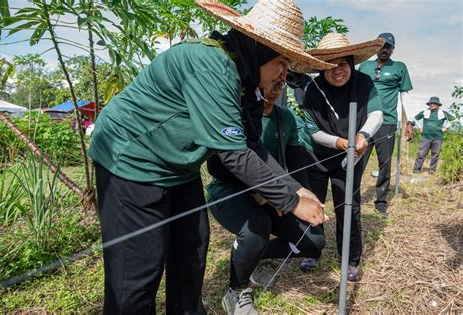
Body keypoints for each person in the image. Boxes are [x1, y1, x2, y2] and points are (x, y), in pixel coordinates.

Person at [88, 0, 333, 313]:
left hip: (179, 166)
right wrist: (291, 201)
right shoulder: (211, 64)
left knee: (192, 249)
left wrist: (294, 188)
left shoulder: (243, 80)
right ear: (261, 47)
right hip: (132, 160)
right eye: (283, 62)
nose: (285, 74)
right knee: (137, 271)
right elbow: (233, 153)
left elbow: (250, 144)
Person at [207, 81, 326, 315]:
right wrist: (265, 194)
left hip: (275, 191)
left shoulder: (286, 118)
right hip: (228, 190)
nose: (273, 90)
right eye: (267, 84)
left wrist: (303, 192)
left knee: (314, 241)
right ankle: (236, 292)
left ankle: (254, 257)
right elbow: (221, 166)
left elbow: (295, 160)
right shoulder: (235, 115)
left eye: (279, 84)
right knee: (258, 226)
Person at [300, 33, 384, 281]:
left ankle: (350, 258)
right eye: (330, 65)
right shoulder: (313, 89)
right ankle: (311, 251)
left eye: (343, 64)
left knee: (348, 206)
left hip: (350, 157)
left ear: (351, 62)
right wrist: (341, 142)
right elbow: (313, 131)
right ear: (322, 68)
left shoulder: (364, 83)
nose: (337, 71)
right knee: (312, 204)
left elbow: (377, 113)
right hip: (317, 155)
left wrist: (363, 135)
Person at [358, 32, 413, 216]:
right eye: (381, 45)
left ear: (392, 49)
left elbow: (405, 95)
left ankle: (380, 202)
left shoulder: (399, 67)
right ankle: (352, 197)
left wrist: (410, 122)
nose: (384, 49)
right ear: (376, 46)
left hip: (387, 122)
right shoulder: (365, 66)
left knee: (384, 164)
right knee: (358, 159)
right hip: (364, 122)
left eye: (388, 46)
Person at [412, 96, 455, 174]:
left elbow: (452, 120)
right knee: (421, 154)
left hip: (438, 138)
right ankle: (416, 170)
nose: (432, 105)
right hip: (426, 137)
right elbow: (415, 118)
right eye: (430, 103)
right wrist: (420, 127)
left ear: (437, 104)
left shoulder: (443, 113)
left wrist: (446, 128)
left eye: (434, 103)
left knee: (435, 155)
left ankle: (432, 171)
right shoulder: (425, 112)